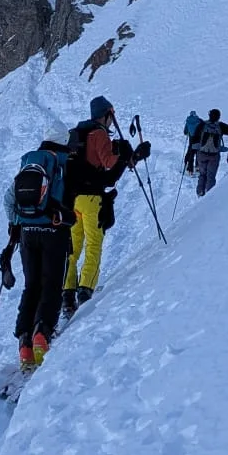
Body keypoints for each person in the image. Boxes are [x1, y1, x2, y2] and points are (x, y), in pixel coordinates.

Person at [62, 94, 149, 315]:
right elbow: (109, 165)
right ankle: (85, 290)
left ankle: (67, 293)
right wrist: (129, 156)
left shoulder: (77, 133)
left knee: (73, 247)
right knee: (93, 244)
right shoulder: (98, 134)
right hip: (92, 198)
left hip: (72, 200)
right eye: (111, 115)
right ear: (106, 114)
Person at [2, 122, 73, 373]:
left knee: (32, 285)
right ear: (64, 140)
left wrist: (18, 223)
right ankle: (42, 334)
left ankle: (24, 342)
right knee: (52, 284)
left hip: (27, 234)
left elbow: (9, 199)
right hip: (54, 231)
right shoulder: (63, 162)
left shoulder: (29, 161)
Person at [189, 107, 228, 197]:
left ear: (209, 115)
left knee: (202, 174)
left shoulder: (202, 125)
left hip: (201, 154)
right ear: (218, 117)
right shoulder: (220, 126)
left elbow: (194, 140)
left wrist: (191, 157)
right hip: (214, 156)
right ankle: (209, 196)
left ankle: (200, 193)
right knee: (211, 177)